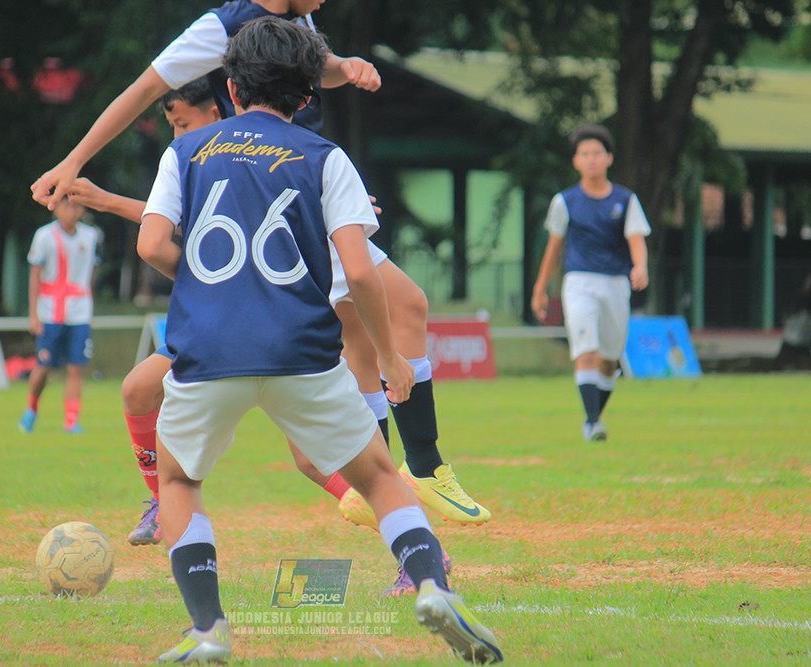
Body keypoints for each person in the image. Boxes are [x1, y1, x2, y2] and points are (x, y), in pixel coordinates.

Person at [135, 17, 502, 663]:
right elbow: (359, 271)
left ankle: (208, 628)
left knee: (179, 480)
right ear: (308, 96)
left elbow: (151, 244)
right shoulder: (327, 158)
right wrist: (390, 356)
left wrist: (209, 285)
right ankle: (434, 587)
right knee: (382, 477)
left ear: (230, 85)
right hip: (299, 350)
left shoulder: (186, 152)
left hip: (207, 351)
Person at [69, 79, 463, 597]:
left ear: (224, 101)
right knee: (141, 388)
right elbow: (169, 224)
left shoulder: (261, 157)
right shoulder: (225, 155)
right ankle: (421, 557)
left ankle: (418, 548)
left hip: (270, 321)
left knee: (331, 465)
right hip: (241, 321)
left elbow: (391, 291)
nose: (181, 131)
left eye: (184, 121)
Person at [531, 124, 651, 442]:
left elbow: (636, 238)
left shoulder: (626, 200)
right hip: (579, 282)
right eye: (585, 154)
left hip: (615, 284)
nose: (592, 159)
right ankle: (593, 421)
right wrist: (540, 288)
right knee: (586, 350)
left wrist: (641, 266)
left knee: (610, 358)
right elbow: (554, 247)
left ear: (609, 158)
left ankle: (594, 417)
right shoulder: (565, 201)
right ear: (576, 161)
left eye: (597, 153)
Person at [18, 196, 100, 434]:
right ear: (56, 209)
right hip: (50, 312)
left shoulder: (91, 236)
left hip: (80, 312)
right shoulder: (44, 236)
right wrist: (33, 314)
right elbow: (35, 275)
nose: (72, 211)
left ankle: (71, 421)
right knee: (43, 367)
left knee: (76, 367)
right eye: (66, 206)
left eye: (76, 206)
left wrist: (88, 302)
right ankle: (31, 410)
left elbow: (90, 273)